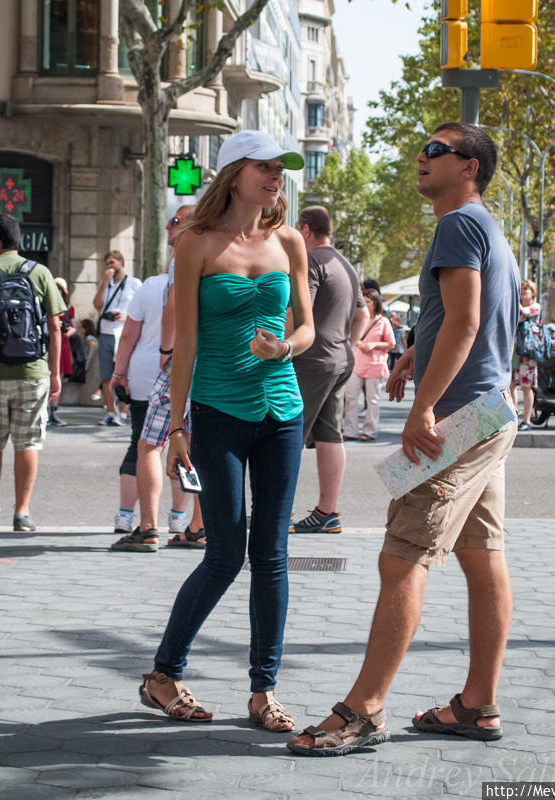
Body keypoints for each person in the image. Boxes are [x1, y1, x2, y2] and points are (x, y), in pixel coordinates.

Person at [289, 122, 520, 756]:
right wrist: (415, 350)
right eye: (423, 147)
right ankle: (477, 704)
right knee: (481, 555)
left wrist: (422, 408)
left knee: (401, 556)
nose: (422, 157)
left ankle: (363, 711)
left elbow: (469, 320)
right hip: (490, 409)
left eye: (437, 150)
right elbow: (478, 316)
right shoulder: (488, 227)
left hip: (458, 418)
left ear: (469, 165)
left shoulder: (457, 225)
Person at [138, 130, 314, 730]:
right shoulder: (195, 244)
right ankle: (164, 674)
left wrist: (286, 345)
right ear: (233, 172)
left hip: (282, 413)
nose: (275, 178)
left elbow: (308, 328)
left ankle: (263, 691)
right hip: (216, 412)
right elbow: (184, 343)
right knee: (224, 554)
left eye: (280, 170)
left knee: (273, 555)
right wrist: (177, 424)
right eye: (265, 167)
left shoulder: (289, 241)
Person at [0, 213, 66, 532]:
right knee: (27, 443)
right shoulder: (41, 272)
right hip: (33, 373)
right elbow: (56, 327)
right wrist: (55, 374)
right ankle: (22, 513)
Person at [109, 204, 205, 551]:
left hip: (181, 364)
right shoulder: (222, 251)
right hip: (210, 365)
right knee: (199, 447)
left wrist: (167, 352)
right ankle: (197, 526)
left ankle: (148, 527)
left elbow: (174, 305)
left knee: (150, 443)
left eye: (176, 221)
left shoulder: (188, 252)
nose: (168, 226)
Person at [289, 205, 368, 534]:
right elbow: (362, 315)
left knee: (286, 436)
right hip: (340, 361)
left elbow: (298, 314)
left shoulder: (312, 262)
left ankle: (277, 514)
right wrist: (348, 344)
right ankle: (327, 512)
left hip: (310, 361)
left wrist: (280, 347)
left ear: (305, 230)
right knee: (330, 436)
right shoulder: (345, 265)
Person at [93, 250, 142, 425]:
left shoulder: (134, 283)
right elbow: (97, 305)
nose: (110, 267)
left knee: (124, 375)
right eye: (107, 264)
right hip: (106, 333)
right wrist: (104, 283)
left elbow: (143, 309)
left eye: (112, 263)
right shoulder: (104, 283)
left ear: (121, 262)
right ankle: (110, 412)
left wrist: (127, 317)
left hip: (124, 333)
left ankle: (123, 413)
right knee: (106, 376)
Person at [343, 288, 395, 441]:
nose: (365, 305)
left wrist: (374, 344)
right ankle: (350, 430)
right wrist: (359, 343)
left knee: (372, 400)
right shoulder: (358, 318)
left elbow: (391, 344)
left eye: (368, 302)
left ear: (375, 303)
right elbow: (348, 336)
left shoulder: (383, 321)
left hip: (375, 364)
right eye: (363, 302)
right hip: (356, 363)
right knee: (350, 398)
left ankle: (370, 431)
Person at [510, 279, 540, 431]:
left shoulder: (535, 307)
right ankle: (512, 418)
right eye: (520, 289)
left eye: (525, 289)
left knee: (526, 387)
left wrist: (515, 302)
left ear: (533, 293)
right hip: (515, 351)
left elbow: (522, 314)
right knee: (511, 385)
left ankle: (526, 420)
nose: (522, 292)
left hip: (528, 353)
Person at [48, 277, 75, 427]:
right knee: (49, 375)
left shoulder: (68, 308)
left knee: (60, 375)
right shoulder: (47, 304)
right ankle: (46, 410)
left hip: (63, 342)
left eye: (59, 288)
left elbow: (73, 326)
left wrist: (68, 331)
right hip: (50, 341)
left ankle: (54, 411)